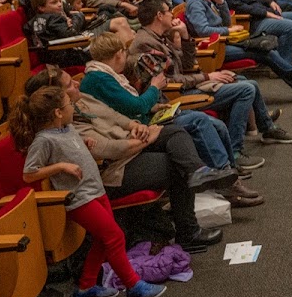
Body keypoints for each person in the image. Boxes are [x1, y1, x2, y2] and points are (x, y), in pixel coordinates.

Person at [27, 66, 231, 250]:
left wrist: (136, 126)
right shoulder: (65, 126)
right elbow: (108, 150)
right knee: (175, 164)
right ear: (56, 96)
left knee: (176, 133)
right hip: (113, 172)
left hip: (131, 147)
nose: (77, 83)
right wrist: (146, 139)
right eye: (70, 84)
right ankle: (188, 232)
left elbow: (114, 116)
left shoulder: (81, 99)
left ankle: (198, 173)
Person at [12, 84, 168, 297]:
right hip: (79, 198)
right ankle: (134, 286)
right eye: (68, 104)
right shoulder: (44, 139)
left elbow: (70, 147)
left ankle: (86, 287)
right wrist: (61, 167)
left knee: (103, 241)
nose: (72, 107)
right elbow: (29, 174)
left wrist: (83, 143)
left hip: (95, 189)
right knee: (115, 237)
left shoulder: (67, 128)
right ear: (57, 112)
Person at [79, 32, 264, 206]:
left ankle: (228, 174)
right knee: (199, 121)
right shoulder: (100, 78)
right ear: (119, 53)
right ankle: (227, 184)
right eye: (124, 52)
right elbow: (136, 107)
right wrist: (154, 87)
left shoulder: (105, 75)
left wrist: (155, 105)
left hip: (142, 120)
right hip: (137, 129)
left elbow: (124, 106)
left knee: (216, 125)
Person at [131, 0, 292, 171]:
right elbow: (167, 81)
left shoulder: (159, 37)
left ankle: (267, 128)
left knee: (243, 81)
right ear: (159, 15)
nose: (172, 15)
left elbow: (186, 66)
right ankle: (235, 151)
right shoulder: (146, 43)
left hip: (185, 85)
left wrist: (185, 36)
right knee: (246, 90)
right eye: (168, 11)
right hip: (174, 95)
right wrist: (208, 76)